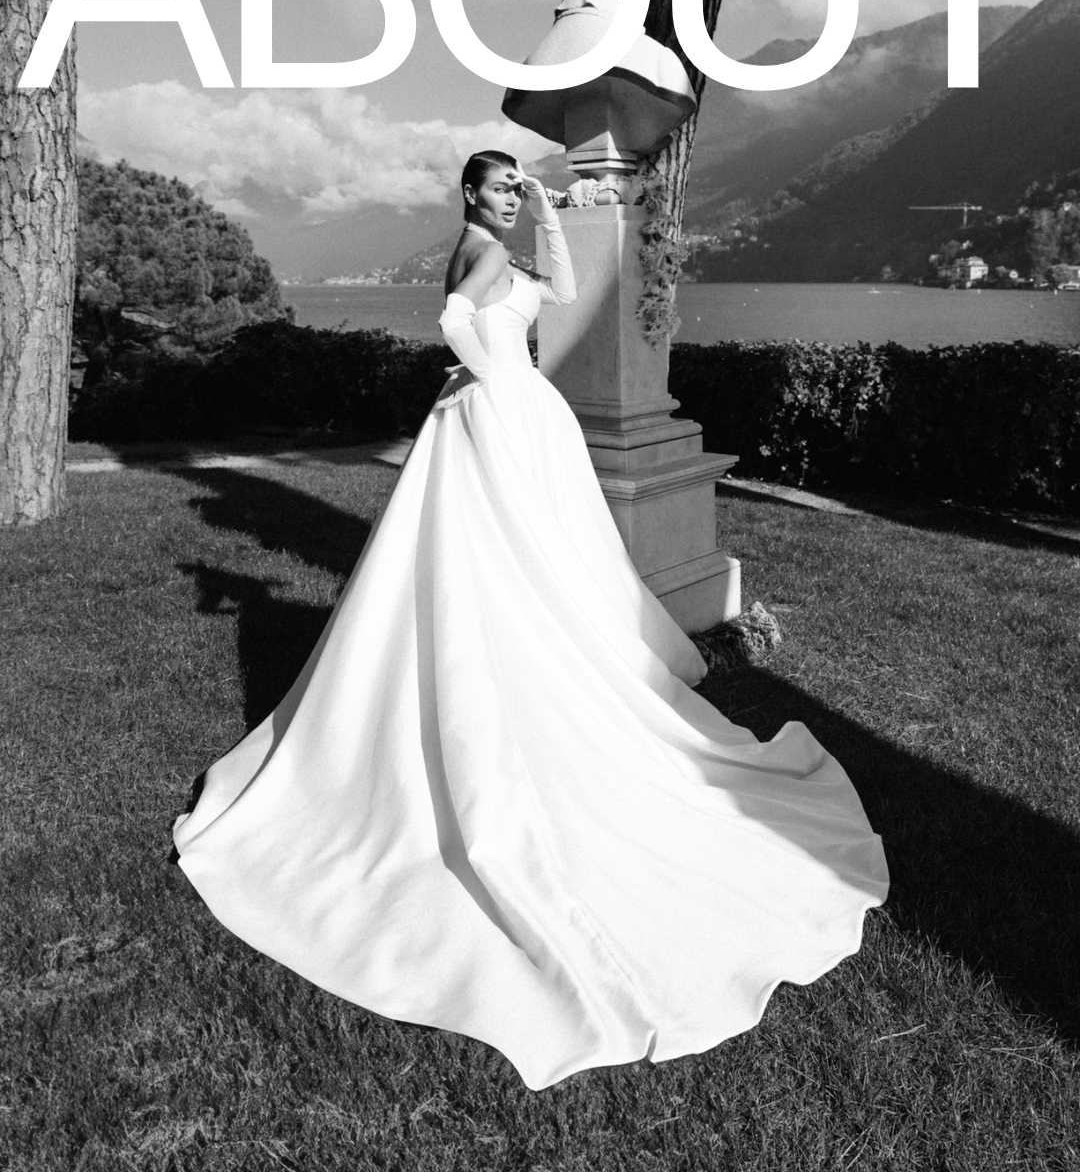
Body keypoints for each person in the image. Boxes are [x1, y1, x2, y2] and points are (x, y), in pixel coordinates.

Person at [173, 149, 889, 1091]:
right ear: (471, 193)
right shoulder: (474, 249)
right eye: (503, 187)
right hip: (499, 417)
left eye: (518, 186)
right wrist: (496, 383)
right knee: (502, 560)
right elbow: (456, 321)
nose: (512, 198)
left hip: (504, 415)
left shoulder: (494, 244)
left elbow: (561, 284)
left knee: (524, 563)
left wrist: (550, 213)